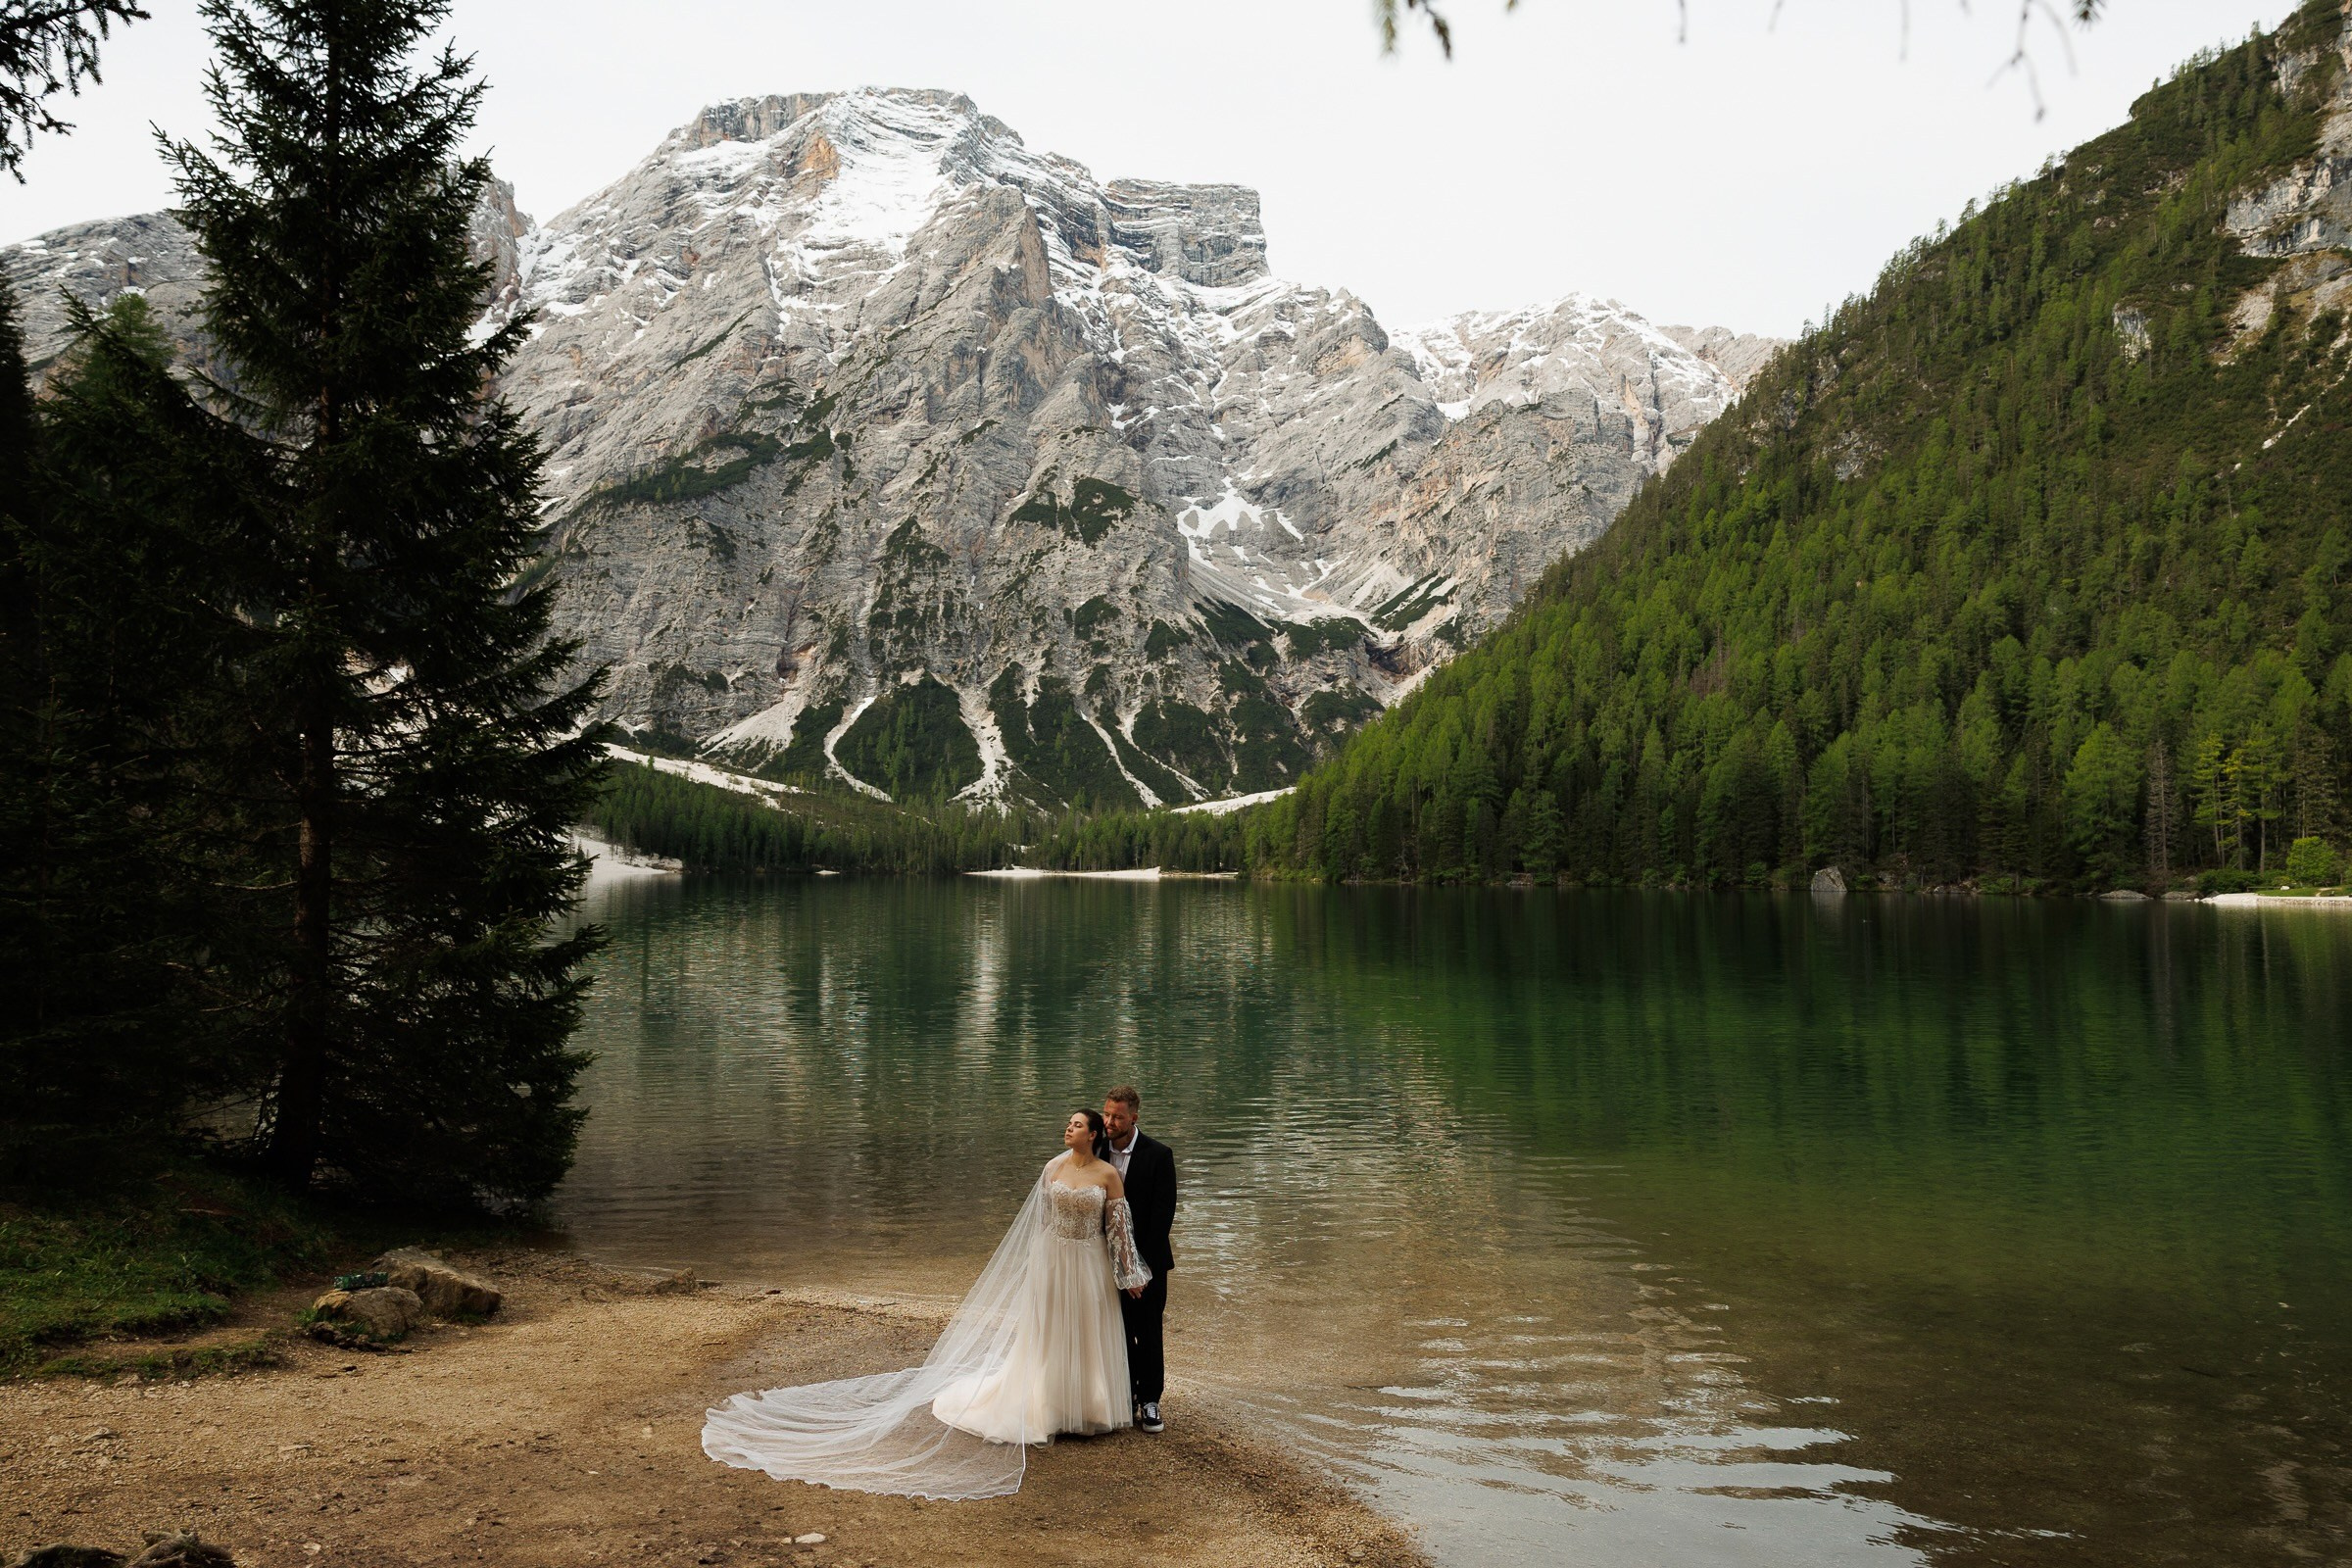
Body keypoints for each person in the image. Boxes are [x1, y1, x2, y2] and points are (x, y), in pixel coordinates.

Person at [701, 1108, 1152, 1498]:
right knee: (1048, 1332)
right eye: (1068, 1124)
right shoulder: (1051, 1169)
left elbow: (1118, 1231)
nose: (1067, 1130)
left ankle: (1086, 1405)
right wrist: (1036, 1265)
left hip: (1088, 1263)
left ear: (1093, 1134)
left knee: (1086, 1332)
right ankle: (1050, 1406)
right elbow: (1040, 1222)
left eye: (1075, 1125)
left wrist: (1130, 1275)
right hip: (1053, 1260)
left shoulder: (1108, 1175)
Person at [1102, 1084, 1176, 1434]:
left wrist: (1136, 1269)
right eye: (1107, 1114)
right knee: (1117, 1330)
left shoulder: (1159, 1155)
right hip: (1104, 1262)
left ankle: (1150, 1401)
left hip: (1147, 1264)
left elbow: (1162, 1219)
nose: (1110, 1121)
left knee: (1147, 1331)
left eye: (1117, 1116)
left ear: (1134, 1117)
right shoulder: (1097, 1150)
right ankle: (1125, 1394)